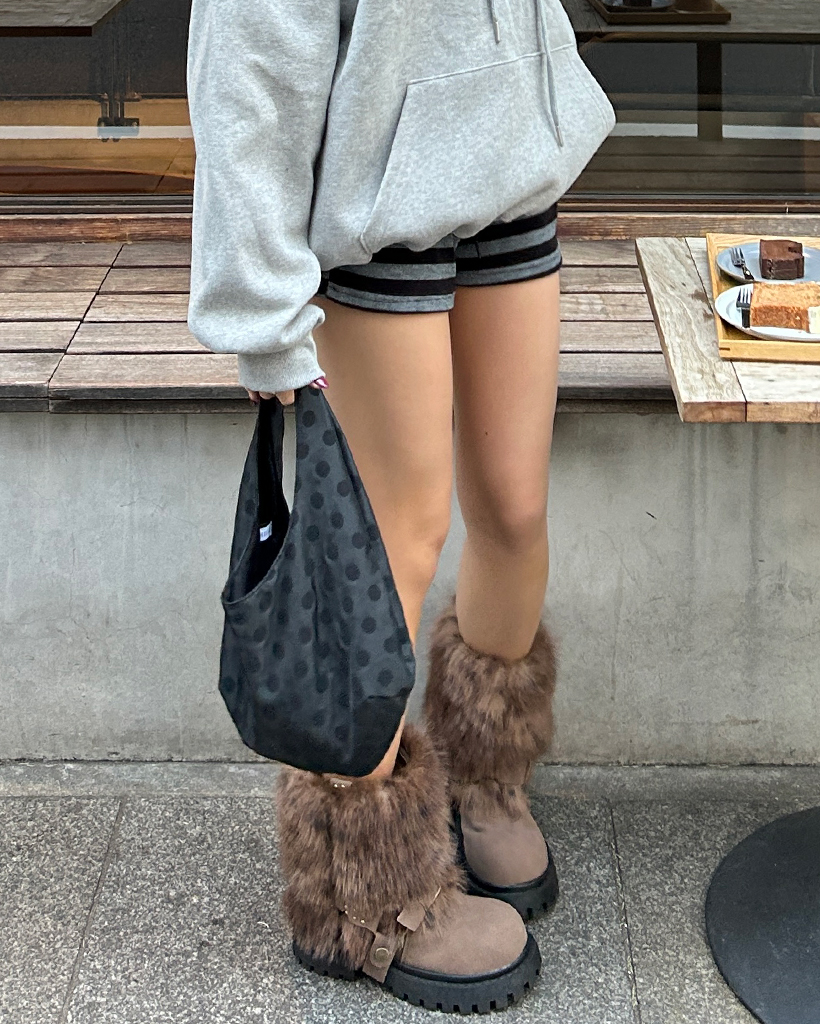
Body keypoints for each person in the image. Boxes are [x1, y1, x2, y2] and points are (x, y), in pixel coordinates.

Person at [186, 0, 615, 1012]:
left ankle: (484, 772)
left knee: (513, 507)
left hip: (512, 170)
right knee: (393, 545)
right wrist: (263, 314)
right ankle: (363, 897)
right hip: (374, 205)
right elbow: (247, 62)